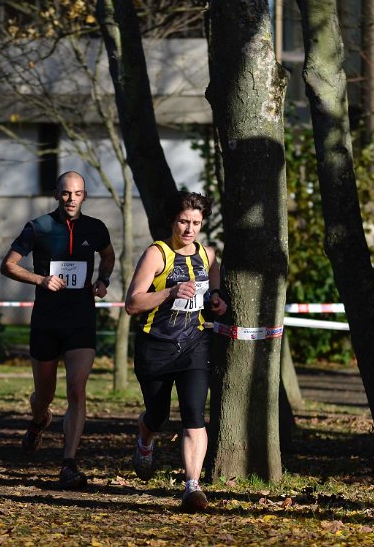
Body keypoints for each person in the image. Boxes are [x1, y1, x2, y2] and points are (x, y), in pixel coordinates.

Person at [0, 171, 115, 489]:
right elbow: (7, 265)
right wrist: (41, 280)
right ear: (56, 195)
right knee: (44, 396)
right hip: (47, 322)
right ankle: (39, 420)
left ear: (84, 196)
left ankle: (68, 464)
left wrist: (103, 280)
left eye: (77, 193)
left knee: (77, 390)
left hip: (81, 320)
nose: (71, 199)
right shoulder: (38, 227)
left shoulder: (96, 228)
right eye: (66, 193)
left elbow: (108, 256)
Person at [124, 191, 227, 513]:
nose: (189, 229)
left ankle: (192, 487)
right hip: (156, 345)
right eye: (184, 221)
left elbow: (214, 293)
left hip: (194, 344)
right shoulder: (157, 254)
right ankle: (145, 441)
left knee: (194, 415)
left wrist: (217, 301)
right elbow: (132, 303)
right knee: (157, 416)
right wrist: (169, 292)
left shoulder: (208, 256)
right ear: (173, 221)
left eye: (196, 223)